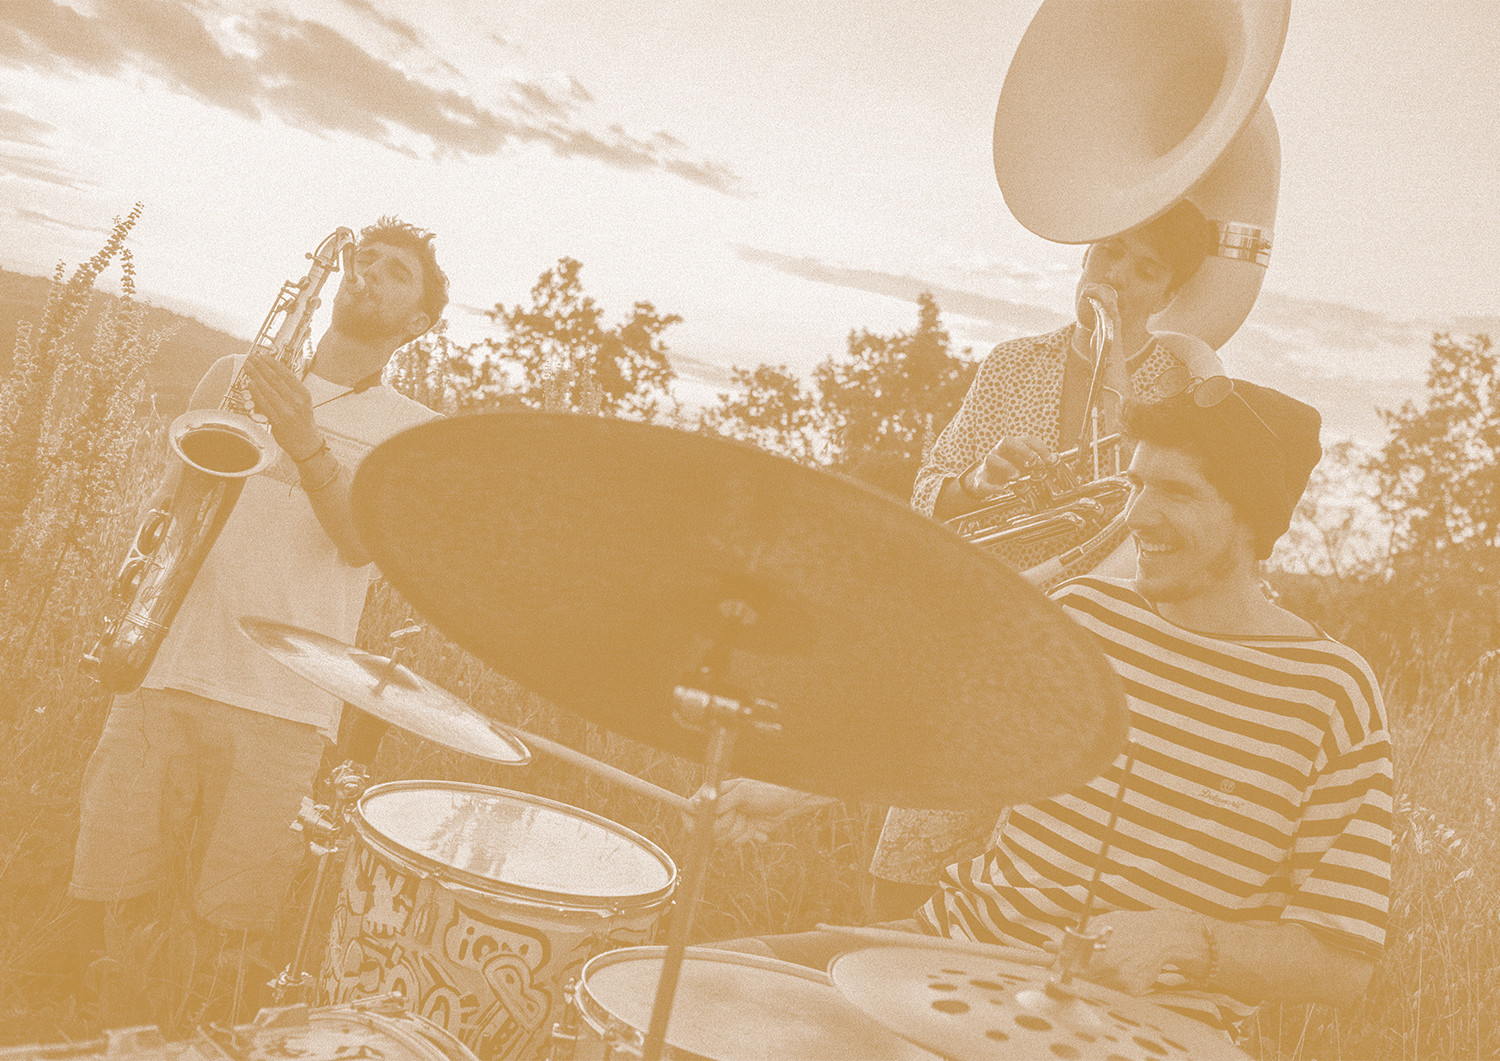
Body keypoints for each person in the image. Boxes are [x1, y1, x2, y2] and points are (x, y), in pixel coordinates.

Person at [701, 380, 1393, 1037]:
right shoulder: (1085, 613)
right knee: (699, 985)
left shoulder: (1330, 692)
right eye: (1136, 483)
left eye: (1178, 491)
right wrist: (791, 791)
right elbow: (950, 736)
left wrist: (1190, 939)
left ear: (1253, 517)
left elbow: (1341, 960)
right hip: (945, 951)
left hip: (1140, 1027)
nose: (1136, 515)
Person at [67, 217, 447, 998]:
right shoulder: (233, 374)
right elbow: (168, 505)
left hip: (287, 705)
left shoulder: (415, 432)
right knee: (110, 912)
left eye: (395, 273)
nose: (369, 273)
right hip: (163, 666)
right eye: (366, 260)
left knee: (229, 938)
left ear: (418, 323)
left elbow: (358, 544)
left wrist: (304, 439)